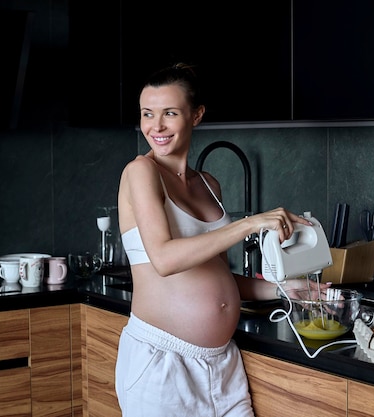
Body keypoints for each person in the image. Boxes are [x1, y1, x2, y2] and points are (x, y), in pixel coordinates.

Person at [115, 63, 330, 417]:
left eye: (170, 113)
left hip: (222, 365)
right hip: (162, 364)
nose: (156, 126)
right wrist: (249, 224)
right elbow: (165, 260)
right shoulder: (140, 172)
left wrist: (283, 289)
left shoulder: (208, 186)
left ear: (196, 115)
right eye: (147, 114)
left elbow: (215, 277)